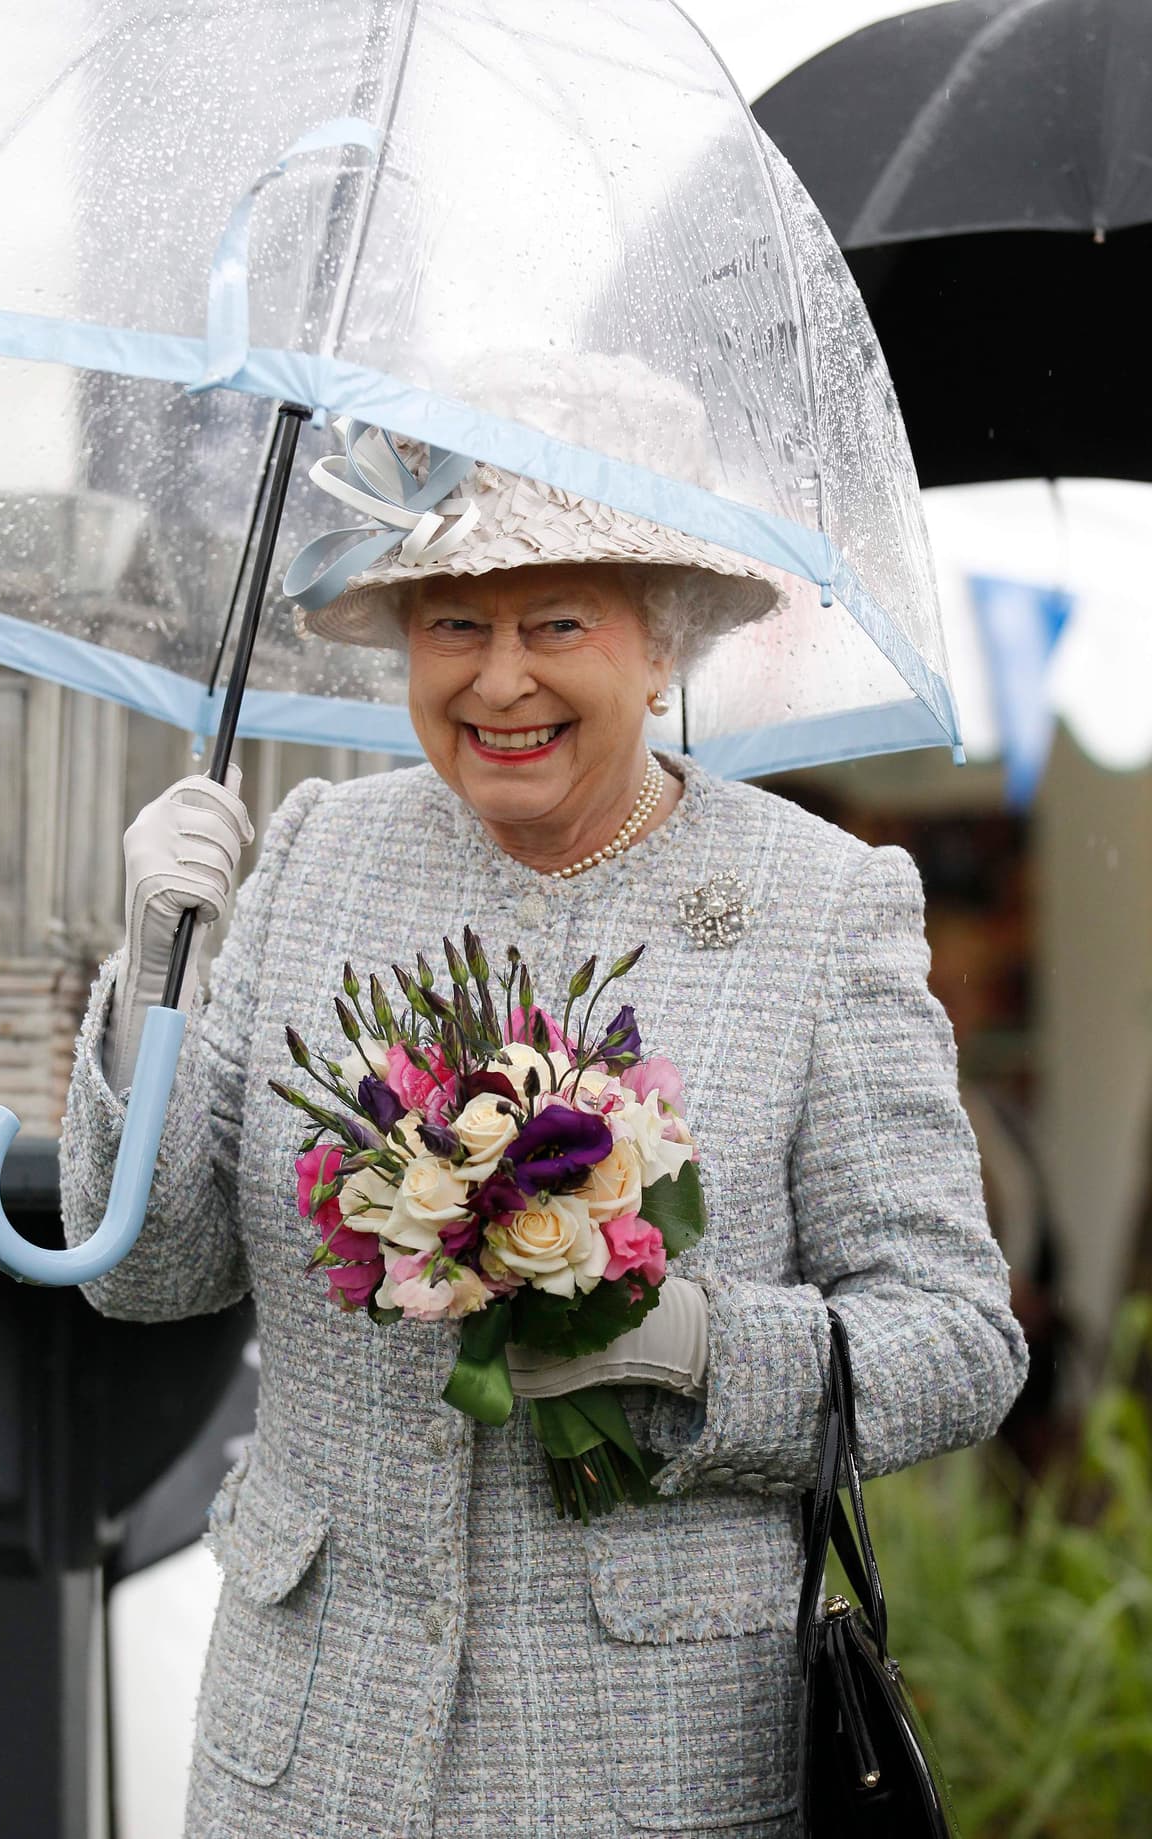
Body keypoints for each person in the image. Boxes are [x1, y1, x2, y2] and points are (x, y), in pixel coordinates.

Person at [60, 391, 1028, 1839]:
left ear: (663, 639)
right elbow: (150, 1273)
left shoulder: (822, 905)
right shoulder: (316, 855)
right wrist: (153, 964)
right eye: (454, 624)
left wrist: (692, 1346)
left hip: (653, 1767)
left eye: (557, 623)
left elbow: (958, 1343)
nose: (499, 681)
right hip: (309, 1757)